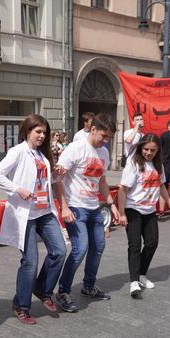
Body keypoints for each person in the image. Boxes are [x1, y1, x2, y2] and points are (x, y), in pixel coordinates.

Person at [0, 114, 66, 324]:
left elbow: (46, 181)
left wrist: (57, 173)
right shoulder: (18, 152)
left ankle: (42, 289)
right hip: (25, 214)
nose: (42, 136)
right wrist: (18, 190)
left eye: (44, 132)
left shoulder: (44, 154)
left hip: (44, 211)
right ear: (27, 131)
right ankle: (21, 305)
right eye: (38, 132)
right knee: (30, 262)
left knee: (59, 251)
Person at [54, 113, 120, 311]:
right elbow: (57, 181)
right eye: (104, 136)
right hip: (75, 206)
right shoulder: (75, 148)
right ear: (92, 130)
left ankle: (88, 286)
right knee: (80, 248)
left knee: (98, 247)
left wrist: (112, 205)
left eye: (109, 137)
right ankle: (63, 291)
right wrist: (64, 207)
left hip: (94, 207)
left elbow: (101, 181)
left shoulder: (104, 153)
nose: (106, 141)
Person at [118, 134, 170, 298]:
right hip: (133, 209)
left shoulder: (158, 165)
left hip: (149, 210)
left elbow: (161, 185)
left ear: (158, 151)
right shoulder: (133, 163)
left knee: (152, 243)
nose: (149, 153)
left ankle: (142, 275)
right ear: (140, 148)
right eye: (146, 149)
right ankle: (134, 281)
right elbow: (123, 189)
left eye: (153, 150)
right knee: (135, 246)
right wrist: (122, 213)